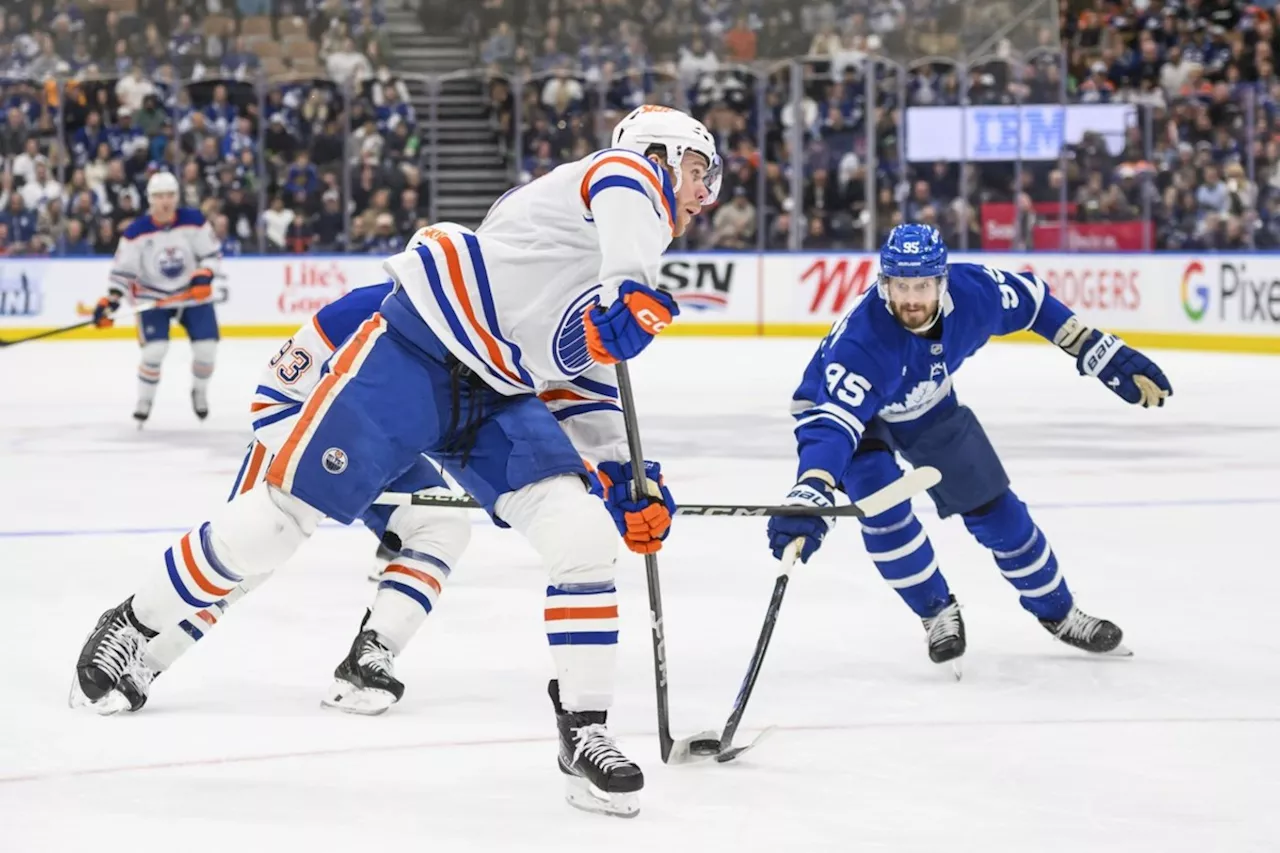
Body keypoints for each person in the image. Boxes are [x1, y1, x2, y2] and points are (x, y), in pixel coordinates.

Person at [71, 105, 722, 819]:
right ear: (662, 154)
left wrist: (625, 476)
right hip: (419, 350)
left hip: (497, 395)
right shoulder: (620, 180)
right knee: (280, 521)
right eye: (699, 172)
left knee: (585, 537)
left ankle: (585, 731)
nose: (705, 194)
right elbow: (627, 183)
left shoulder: (607, 259)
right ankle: (133, 623)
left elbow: (578, 380)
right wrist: (626, 282)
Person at [766, 223, 1173, 675]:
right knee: (883, 508)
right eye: (901, 286)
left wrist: (1095, 347)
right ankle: (937, 612)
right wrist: (813, 484)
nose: (912, 299)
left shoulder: (975, 292)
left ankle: (1059, 611)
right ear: (884, 284)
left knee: (1000, 514)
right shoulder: (864, 343)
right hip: (855, 423)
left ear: (943, 282)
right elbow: (833, 424)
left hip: (927, 405)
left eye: (922, 285)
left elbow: (1035, 305)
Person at [134, 230, 472, 717]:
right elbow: (272, 399)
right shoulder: (358, 311)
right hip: (302, 437)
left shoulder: (472, 333)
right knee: (252, 556)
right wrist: (325, 468)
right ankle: (142, 657)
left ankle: (371, 655)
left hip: (380, 452)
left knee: (442, 524)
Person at [93, 171, 223, 424]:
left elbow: (211, 255)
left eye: (170, 195)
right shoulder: (136, 232)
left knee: (206, 349)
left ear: (177, 197)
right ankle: (145, 399)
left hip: (191, 295)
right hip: (153, 297)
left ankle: (200, 391)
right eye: (159, 196)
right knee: (154, 351)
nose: (165, 201)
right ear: (150, 200)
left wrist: (204, 275)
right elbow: (123, 271)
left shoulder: (194, 221)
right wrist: (111, 300)